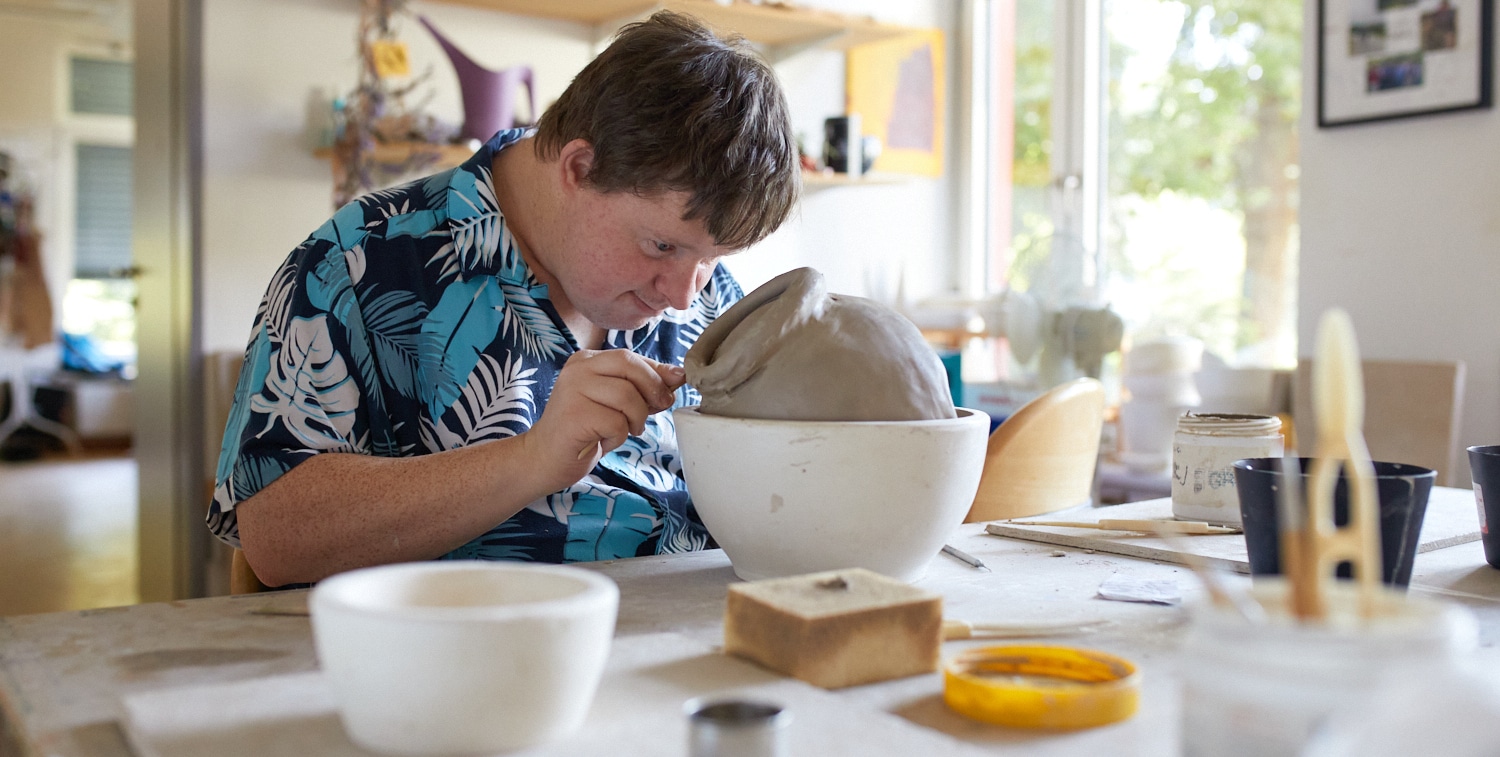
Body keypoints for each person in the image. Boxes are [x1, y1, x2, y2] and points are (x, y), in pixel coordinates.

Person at [208, 10, 799, 588]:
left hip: (691, 649)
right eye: (660, 244)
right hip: (462, 658)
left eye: (714, 257)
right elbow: (275, 540)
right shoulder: (357, 264)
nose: (681, 296)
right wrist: (530, 459)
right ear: (579, 167)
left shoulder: (708, 296)